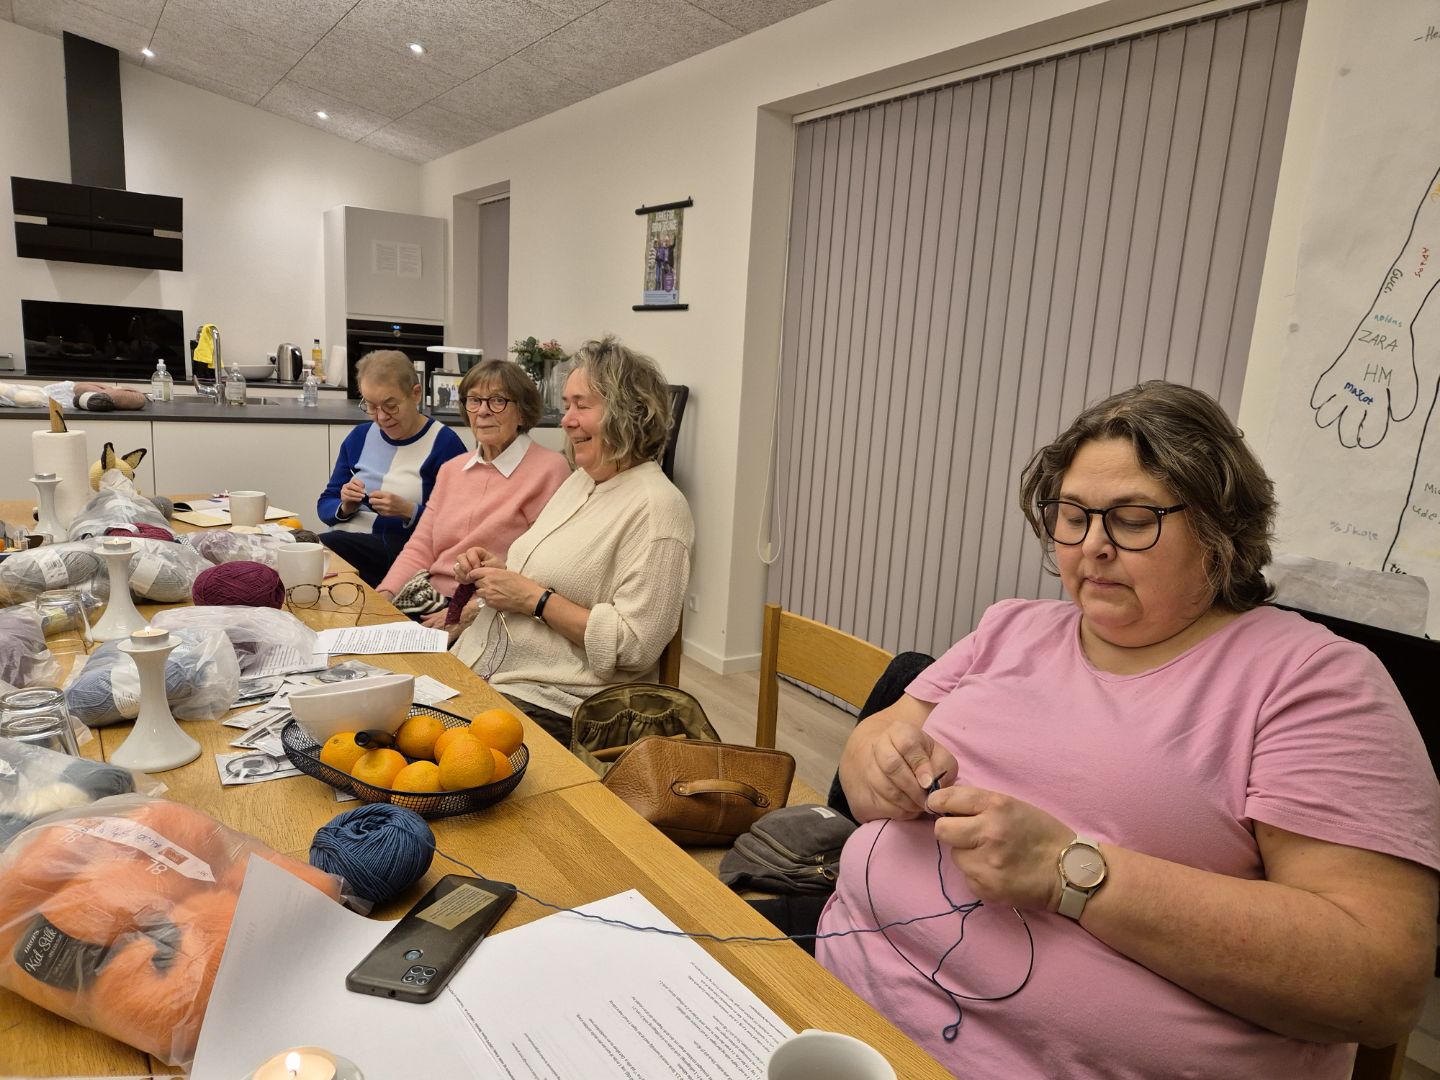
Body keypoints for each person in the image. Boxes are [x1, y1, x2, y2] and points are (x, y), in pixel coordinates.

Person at [815, 381, 1440, 1078]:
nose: (1093, 546)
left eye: (1133, 520)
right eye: (1072, 516)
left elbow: (1379, 983)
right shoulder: (1012, 627)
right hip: (831, 1003)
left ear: (1220, 532)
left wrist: (1069, 871)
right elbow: (872, 750)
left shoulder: (1313, 681)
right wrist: (880, 765)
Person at [451, 336, 692, 743]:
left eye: (581, 405)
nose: (566, 420)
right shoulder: (581, 481)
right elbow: (554, 577)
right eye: (566, 406)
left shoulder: (658, 509)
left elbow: (634, 646)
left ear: (628, 412)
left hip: (556, 705)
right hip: (488, 671)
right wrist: (499, 573)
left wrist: (534, 599)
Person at [375, 359, 570, 625]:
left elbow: (542, 571)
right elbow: (420, 547)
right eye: (475, 400)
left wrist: (465, 615)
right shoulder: (452, 469)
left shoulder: (549, 469)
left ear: (523, 413)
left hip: (493, 612)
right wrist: (384, 596)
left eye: (498, 401)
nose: (483, 411)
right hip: (429, 599)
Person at [316, 350, 466, 588]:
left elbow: (459, 524)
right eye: (371, 406)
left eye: (391, 405)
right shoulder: (359, 437)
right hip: (346, 542)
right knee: (293, 544)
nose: (381, 417)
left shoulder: (444, 444)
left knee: (319, 548)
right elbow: (325, 503)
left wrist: (409, 511)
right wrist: (345, 507)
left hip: (401, 553)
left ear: (416, 394)